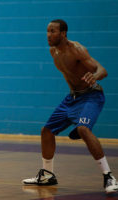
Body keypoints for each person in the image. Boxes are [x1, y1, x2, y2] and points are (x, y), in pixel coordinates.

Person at [22, 19, 118, 194]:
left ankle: (108, 176)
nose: (48, 35)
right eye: (47, 31)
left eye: (53, 31)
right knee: (47, 131)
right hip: (72, 98)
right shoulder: (53, 51)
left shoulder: (77, 50)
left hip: (91, 96)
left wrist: (95, 76)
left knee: (82, 129)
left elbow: (102, 69)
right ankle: (47, 175)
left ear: (63, 33)